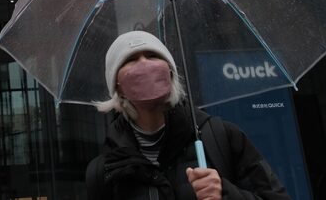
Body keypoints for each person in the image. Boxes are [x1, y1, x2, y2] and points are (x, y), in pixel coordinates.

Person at [86, 31, 291, 200]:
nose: (144, 64)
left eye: (152, 56)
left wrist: (225, 193)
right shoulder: (104, 171)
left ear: (170, 73)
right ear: (118, 88)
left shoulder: (223, 137)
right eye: (131, 59)